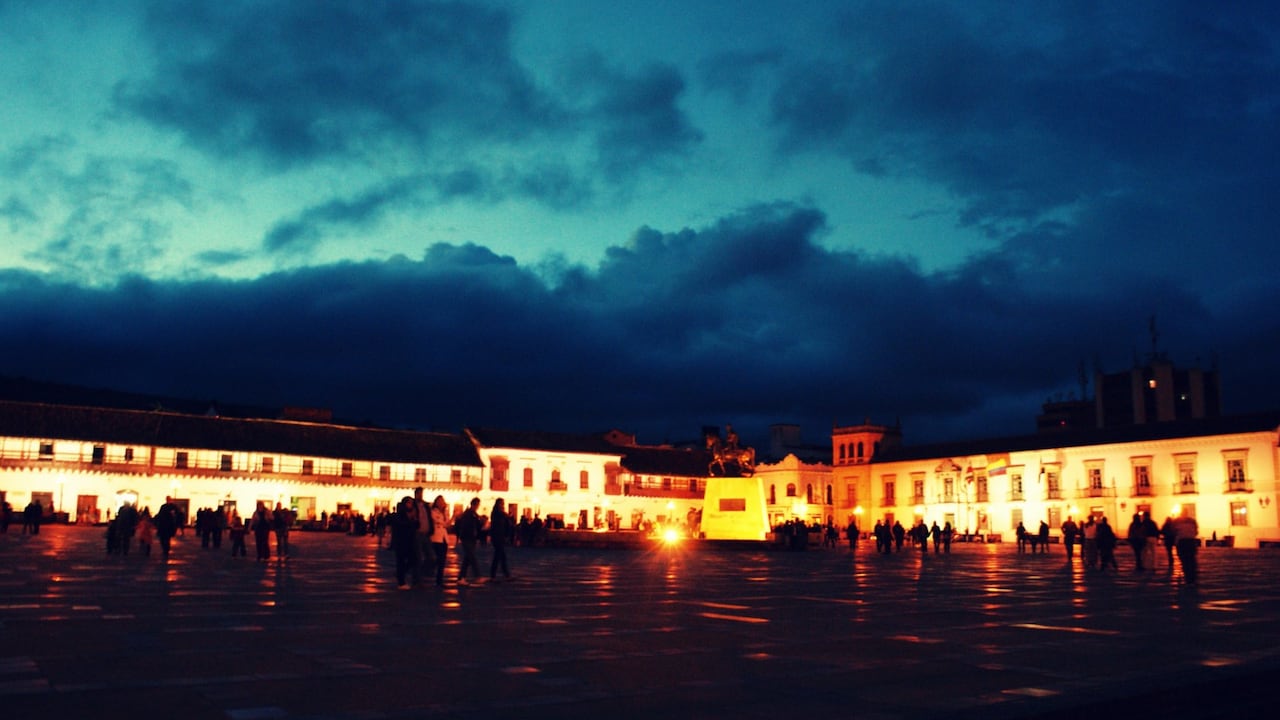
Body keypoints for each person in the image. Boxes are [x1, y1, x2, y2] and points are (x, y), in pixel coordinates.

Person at [390, 497, 418, 590]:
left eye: (411, 503)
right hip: (401, 540)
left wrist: (414, 519)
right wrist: (410, 520)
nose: (411, 505)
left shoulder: (412, 514)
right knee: (401, 561)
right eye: (409, 503)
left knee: (413, 559)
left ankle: (400, 574)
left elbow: (416, 526)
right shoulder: (399, 514)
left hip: (410, 540)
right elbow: (400, 525)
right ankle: (401, 582)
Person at [454, 498, 482, 585]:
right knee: (471, 557)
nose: (478, 506)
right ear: (474, 504)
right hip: (467, 538)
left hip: (471, 538)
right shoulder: (468, 514)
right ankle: (477, 576)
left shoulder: (473, 514)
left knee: (467, 558)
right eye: (477, 504)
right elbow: (466, 526)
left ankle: (461, 578)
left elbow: (477, 525)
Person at [411, 488, 433, 586]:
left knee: (431, 557)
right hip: (417, 534)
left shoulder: (425, 506)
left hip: (426, 533)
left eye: (421, 493)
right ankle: (417, 579)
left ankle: (422, 575)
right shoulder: (413, 505)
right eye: (419, 494)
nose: (420, 495)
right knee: (418, 557)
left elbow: (429, 518)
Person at [1173, 511, 1200, 585]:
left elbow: (1173, 531)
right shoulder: (1192, 521)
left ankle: (1187, 577)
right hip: (1191, 541)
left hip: (1182, 541)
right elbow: (1196, 532)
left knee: (1184, 560)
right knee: (1192, 559)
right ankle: (1193, 577)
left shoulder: (1177, 521)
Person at [488, 498, 512, 581]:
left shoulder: (500, 514)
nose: (503, 505)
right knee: (498, 556)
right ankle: (494, 575)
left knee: (501, 556)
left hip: (500, 537)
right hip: (497, 537)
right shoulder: (497, 514)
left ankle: (505, 574)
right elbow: (498, 526)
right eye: (501, 503)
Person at [429, 495, 450, 586]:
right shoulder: (433, 512)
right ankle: (429, 574)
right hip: (436, 538)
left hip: (444, 538)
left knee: (442, 560)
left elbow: (447, 524)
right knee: (436, 559)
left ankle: (439, 580)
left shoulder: (444, 513)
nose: (442, 503)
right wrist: (444, 523)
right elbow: (439, 522)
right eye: (440, 501)